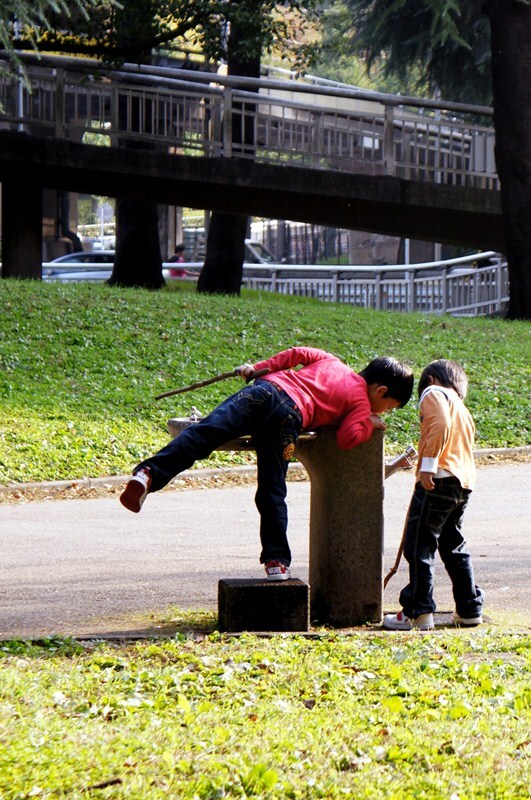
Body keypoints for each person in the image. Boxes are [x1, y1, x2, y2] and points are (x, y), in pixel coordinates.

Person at [120, 347, 414, 581]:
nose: (385, 412)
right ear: (382, 392)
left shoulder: (332, 362)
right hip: (287, 418)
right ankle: (276, 561)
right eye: (388, 407)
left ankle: (148, 474)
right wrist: (371, 423)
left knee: (204, 433)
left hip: (262, 391)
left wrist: (262, 367)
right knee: (273, 487)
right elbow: (348, 437)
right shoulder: (362, 403)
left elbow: (297, 353)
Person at [384, 359, 484, 631]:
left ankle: (418, 612)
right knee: (453, 545)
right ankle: (469, 608)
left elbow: (438, 423)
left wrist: (428, 465)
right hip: (462, 483)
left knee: (419, 545)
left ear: (430, 380)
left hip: (438, 478)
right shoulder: (462, 407)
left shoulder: (434, 393)